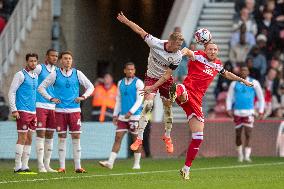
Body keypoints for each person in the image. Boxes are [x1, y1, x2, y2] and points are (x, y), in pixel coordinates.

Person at [142, 42, 253, 180]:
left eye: (215, 49)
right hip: (187, 91)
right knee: (182, 89)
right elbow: (188, 50)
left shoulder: (217, 64)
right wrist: (179, 54)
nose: (213, 51)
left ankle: (186, 169)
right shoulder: (199, 56)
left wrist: (243, 80)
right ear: (205, 50)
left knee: (198, 137)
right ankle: (173, 93)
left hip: (197, 101)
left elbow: (228, 74)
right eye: (210, 49)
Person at [117, 11, 184, 154]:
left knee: (168, 108)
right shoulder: (155, 42)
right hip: (151, 77)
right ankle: (139, 139)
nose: (178, 49)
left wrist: (153, 88)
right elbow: (140, 31)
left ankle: (167, 137)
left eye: (180, 46)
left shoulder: (177, 56)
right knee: (147, 105)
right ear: (170, 42)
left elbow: (167, 75)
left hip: (165, 80)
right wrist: (127, 21)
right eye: (176, 46)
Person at [38, 51, 94, 173]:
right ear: (61, 61)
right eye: (65, 58)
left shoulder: (77, 73)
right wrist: (51, 98)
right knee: (62, 137)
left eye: (69, 58)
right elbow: (41, 87)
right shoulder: (55, 74)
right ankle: (62, 167)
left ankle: (78, 167)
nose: (67, 60)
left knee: (76, 136)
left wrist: (83, 97)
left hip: (74, 111)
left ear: (72, 61)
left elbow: (91, 86)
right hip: (59, 111)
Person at [99, 62, 144, 169]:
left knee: (135, 139)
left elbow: (140, 100)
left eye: (132, 69)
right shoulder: (120, 83)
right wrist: (115, 114)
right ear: (124, 70)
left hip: (135, 116)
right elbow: (118, 100)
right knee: (118, 138)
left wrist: (131, 111)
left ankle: (137, 163)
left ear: (135, 70)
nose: (130, 71)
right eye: (128, 69)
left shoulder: (139, 83)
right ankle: (110, 162)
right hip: (122, 116)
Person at [226, 65, 265, 162]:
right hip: (237, 112)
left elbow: (261, 97)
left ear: (248, 72)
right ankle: (240, 154)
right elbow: (229, 97)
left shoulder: (254, 82)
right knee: (238, 134)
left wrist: (261, 110)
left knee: (248, 133)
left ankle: (247, 156)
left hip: (249, 112)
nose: (244, 72)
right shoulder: (234, 83)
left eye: (245, 70)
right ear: (240, 72)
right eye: (242, 70)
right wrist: (228, 109)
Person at [8, 53, 39, 173]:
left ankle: (25, 166)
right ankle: (17, 166)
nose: (33, 63)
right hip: (22, 110)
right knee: (22, 137)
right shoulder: (20, 75)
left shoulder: (35, 76)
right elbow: (11, 92)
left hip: (33, 111)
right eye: (31, 61)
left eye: (35, 61)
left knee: (30, 138)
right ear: (27, 62)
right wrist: (14, 109)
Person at [33, 49, 58, 172]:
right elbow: (29, 78)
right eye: (52, 56)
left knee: (50, 135)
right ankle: (40, 165)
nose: (55, 58)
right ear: (47, 57)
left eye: (56, 56)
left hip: (52, 107)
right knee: (41, 134)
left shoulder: (58, 71)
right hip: (40, 105)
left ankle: (47, 165)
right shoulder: (39, 68)